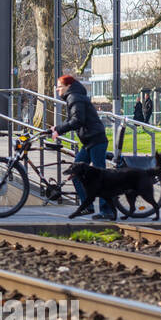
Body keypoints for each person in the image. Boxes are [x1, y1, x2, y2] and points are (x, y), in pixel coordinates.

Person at [49, 75, 113, 220]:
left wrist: (59, 130)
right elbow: (73, 119)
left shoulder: (74, 97)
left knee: (100, 175)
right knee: (75, 173)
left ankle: (106, 210)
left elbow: (78, 120)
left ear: (68, 86)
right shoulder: (73, 97)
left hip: (96, 139)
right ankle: (87, 206)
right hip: (89, 141)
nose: (57, 89)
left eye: (59, 86)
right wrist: (56, 128)